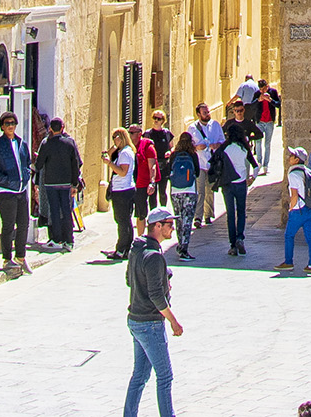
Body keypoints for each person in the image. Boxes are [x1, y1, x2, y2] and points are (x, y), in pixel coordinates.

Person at [124, 204, 183, 417]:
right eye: (169, 225)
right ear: (157, 226)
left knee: (139, 376)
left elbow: (129, 280)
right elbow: (157, 297)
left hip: (135, 320)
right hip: (150, 323)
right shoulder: (154, 256)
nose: (172, 229)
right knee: (165, 376)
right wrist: (174, 322)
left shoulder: (136, 249)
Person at [0, 113, 34, 274]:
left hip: (21, 190)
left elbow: (27, 163)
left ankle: (21, 257)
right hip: (5, 192)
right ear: (2, 127)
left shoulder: (21, 143)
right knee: (8, 225)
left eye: (13, 123)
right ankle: (7, 258)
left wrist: (26, 176)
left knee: (24, 223)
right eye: (7, 123)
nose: (10, 126)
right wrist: (7, 181)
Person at [217, 101, 260, 256]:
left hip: (227, 184)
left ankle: (232, 245)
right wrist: (252, 178)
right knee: (241, 212)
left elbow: (214, 161)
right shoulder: (244, 148)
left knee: (230, 213)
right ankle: (240, 237)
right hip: (241, 183)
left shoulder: (225, 148)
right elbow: (256, 165)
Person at [35, 117, 84, 253]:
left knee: (54, 211)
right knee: (66, 211)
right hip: (66, 183)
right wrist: (74, 184)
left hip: (51, 183)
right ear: (62, 128)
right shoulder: (69, 143)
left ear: (50, 128)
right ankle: (69, 240)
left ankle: (57, 239)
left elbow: (39, 165)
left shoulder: (46, 144)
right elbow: (76, 164)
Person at [279, 147, 311, 273]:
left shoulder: (293, 174)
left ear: (297, 160)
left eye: (292, 155)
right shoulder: (307, 171)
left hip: (299, 210)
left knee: (289, 235)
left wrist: (291, 209)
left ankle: (288, 262)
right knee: (310, 238)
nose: (289, 157)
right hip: (310, 208)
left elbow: (294, 195)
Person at [166, 131, 204, 259]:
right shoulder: (193, 155)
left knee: (179, 218)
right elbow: (197, 173)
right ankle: (184, 248)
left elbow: (168, 171)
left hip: (175, 191)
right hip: (189, 191)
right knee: (188, 219)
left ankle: (180, 243)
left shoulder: (174, 155)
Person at [106, 127, 142, 259]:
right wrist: (114, 146)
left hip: (123, 190)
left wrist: (109, 164)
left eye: (116, 137)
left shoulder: (125, 153)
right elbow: (107, 154)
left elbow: (122, 172)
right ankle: (126, 248)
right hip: (121, 190)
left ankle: (122, 249)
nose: (114, 140)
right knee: (123, 220)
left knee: (123, 221)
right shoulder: (121, 151)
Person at [186, 104, 224, 227]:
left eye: (207, 112)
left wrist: (217, 145)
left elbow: (222, 141)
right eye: (204, 113)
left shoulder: (215, 125)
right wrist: (196, 147)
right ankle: (198, 216)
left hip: (212, 163)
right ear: (198, 114)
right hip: (199, 163)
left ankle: (208, 215)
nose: (207, 114)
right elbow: (187, 145)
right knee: (200, 190)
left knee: (210, 190)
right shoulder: (192, 128)